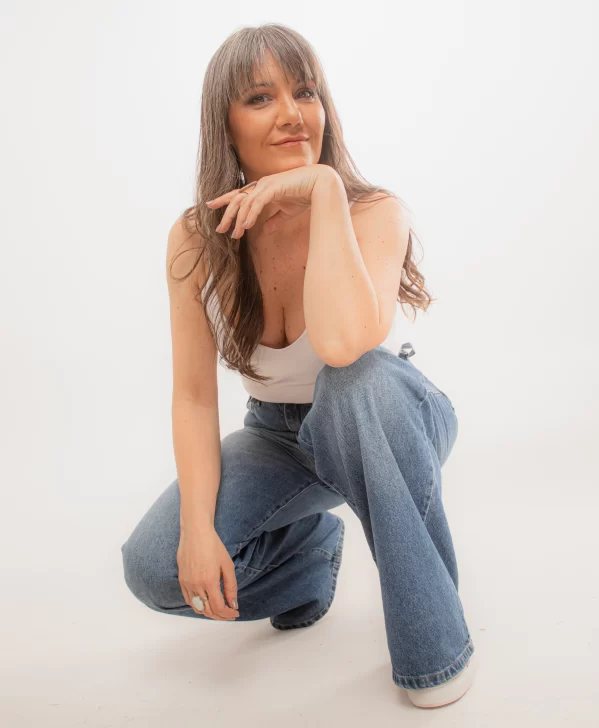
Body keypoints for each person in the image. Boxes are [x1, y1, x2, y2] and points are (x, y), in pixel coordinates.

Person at [120, 23, 476, 709]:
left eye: (305, 92)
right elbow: (194, 397)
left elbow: (344, 347)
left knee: (355, 380)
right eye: (260, 98)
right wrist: (197, 531)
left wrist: (323, 192)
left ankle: (437, 652)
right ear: (224, 125)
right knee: (156, 568)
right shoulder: (194, 238)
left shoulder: (372, 212)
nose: (291, 112)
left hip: (383, 415)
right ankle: (310, 561)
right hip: (277, 434)